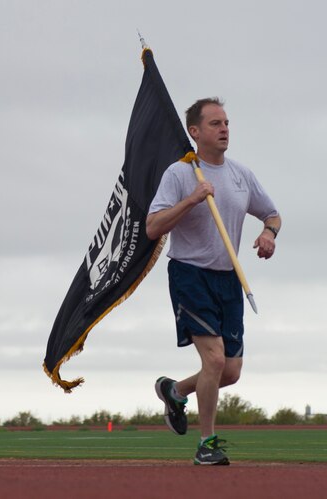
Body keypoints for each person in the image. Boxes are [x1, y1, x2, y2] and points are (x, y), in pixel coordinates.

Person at [146, 97, 281, 465]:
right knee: (215, 360)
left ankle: (175, 391)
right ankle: (207, 444)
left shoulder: (241, 175)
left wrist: (269, 233)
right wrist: (191, 199)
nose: (224, 129)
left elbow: (272, 213)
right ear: (195, 131)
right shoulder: (180, 174)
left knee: (230, 371)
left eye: (226, 123)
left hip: (230, 277)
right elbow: (153, 227)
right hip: (191, 274)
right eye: (215, 124)